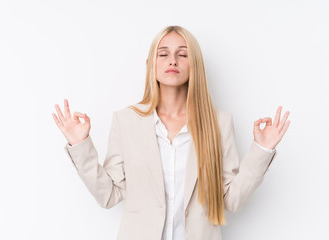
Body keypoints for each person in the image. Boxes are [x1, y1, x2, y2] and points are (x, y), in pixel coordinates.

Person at [52, 25, 290, 240]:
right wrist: (80, 144)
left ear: (194, 64)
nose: (172, 61)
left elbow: (232, 200)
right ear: (151, 65)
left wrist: (262, 149)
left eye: (183, 54)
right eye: (163, 54)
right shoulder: (126, 121)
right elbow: (109, 195)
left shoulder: (219, 122)